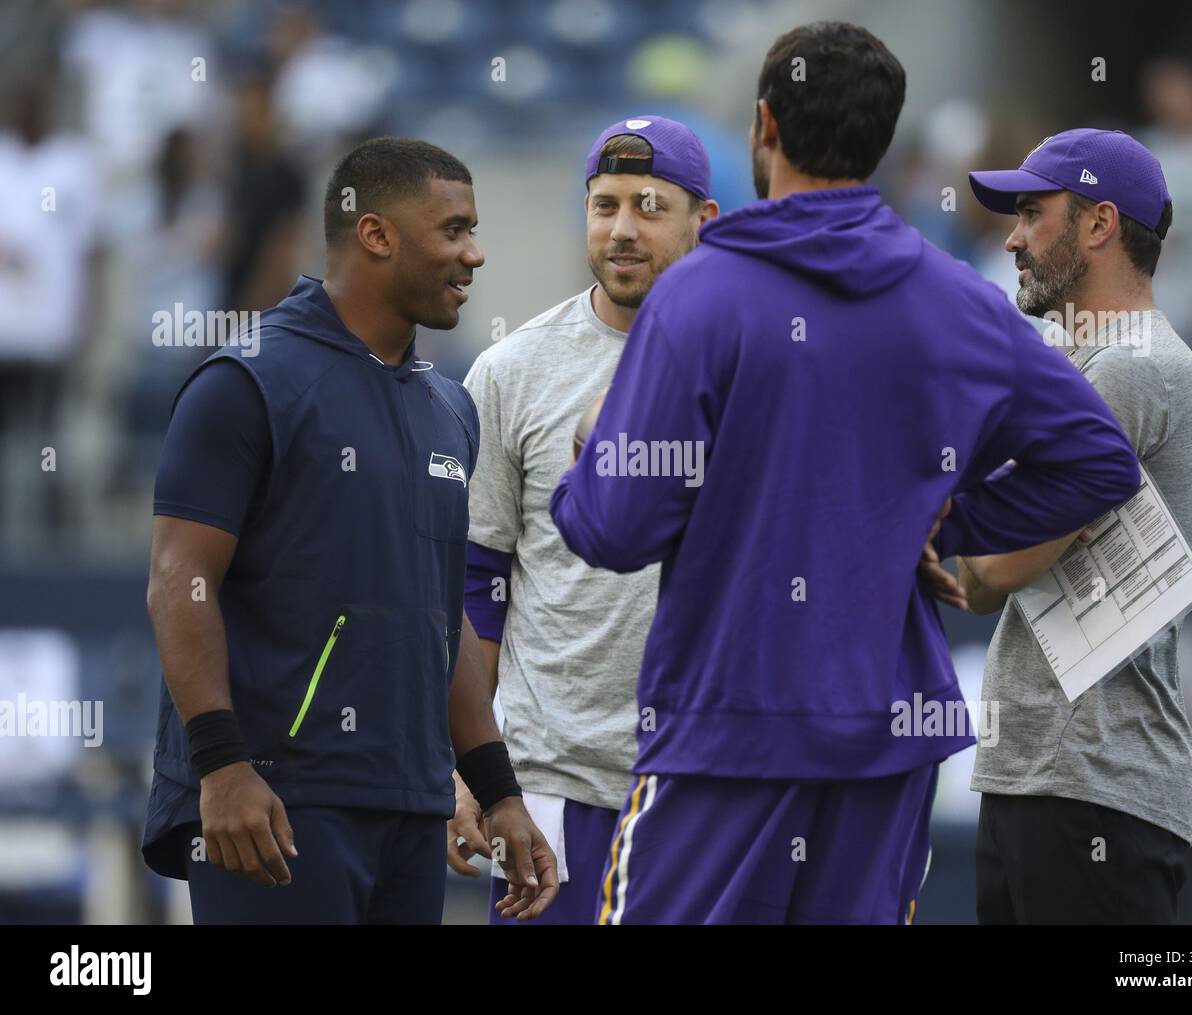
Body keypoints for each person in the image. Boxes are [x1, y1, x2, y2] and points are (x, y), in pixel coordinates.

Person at [549, 22, 1141, 925]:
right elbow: (1100, 461)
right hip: (888, 737)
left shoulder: (698, 298)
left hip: (726, 728)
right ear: (881, 140)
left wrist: (593, 446)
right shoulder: (957, 300)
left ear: (765, 124)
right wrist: (940, 523)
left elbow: (612, 529)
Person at [141, 137, 557, 924]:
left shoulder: (448, 408)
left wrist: (497, 790)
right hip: (273, 809)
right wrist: (223, 765)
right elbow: (178, 579)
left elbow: (447, 618)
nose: (475, 254)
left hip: (408, 809)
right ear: (376, 235)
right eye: (455, 231)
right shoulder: (247, 381)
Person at [449, 116, 719, 924]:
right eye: (604, 205)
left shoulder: (752, 360)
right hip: (552, 780)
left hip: (702, 777)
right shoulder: (512, 370)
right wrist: (470, 767)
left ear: (703, 221)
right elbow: (477, 584)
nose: (622, 229)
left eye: (648, 205)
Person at [950, 127, 1192, 924]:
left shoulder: (1131, 365)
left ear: (1098, 225)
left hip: (1094, 785)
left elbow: (990, 571)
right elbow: (975, 578)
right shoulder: (1077, 367)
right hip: (1042, 777)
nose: (1014, 238)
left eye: (1032, 213)